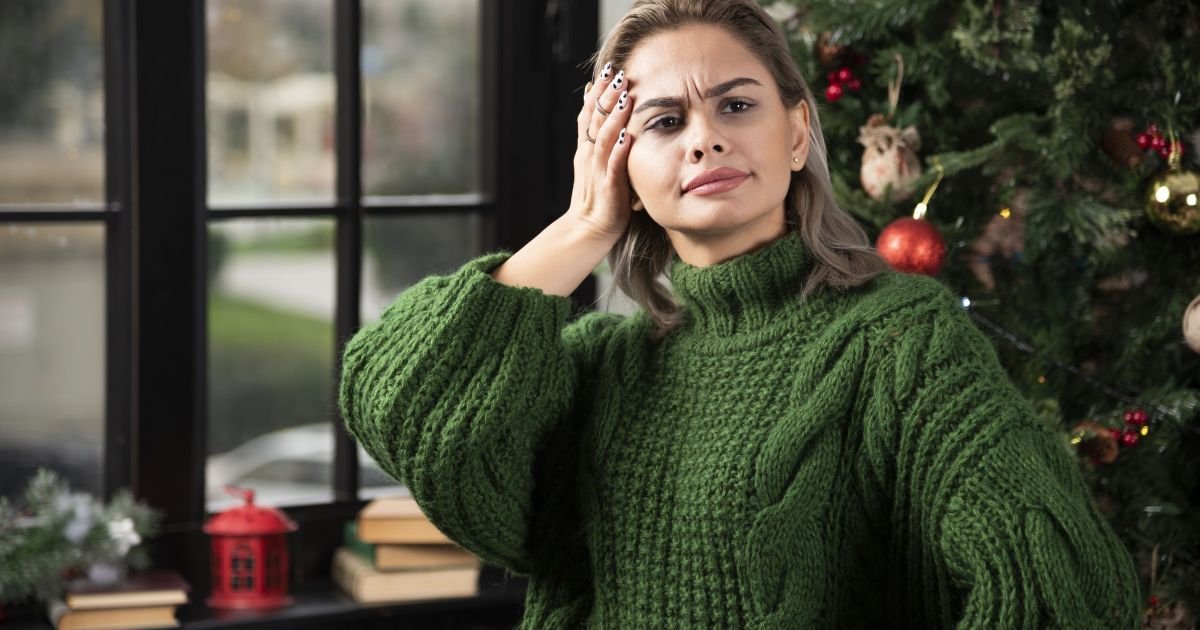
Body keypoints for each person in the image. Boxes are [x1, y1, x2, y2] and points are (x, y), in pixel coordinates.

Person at [339, 0, 1141, 627]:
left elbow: (1062, 588)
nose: (704, 141)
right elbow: (403, 405)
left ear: (796, 131)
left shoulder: (900, 339)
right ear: (618, 161)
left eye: (735, 106)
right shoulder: (600, 367)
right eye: (663, 121)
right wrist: (584, 224)